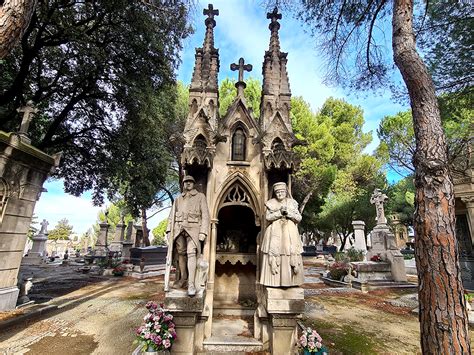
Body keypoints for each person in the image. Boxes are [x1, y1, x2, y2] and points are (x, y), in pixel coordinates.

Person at [166, 175, 209, 296]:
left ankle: (191, 284)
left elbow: (205, 215)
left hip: (194, 229)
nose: (188, 184)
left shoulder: (200, 196)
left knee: (191, 252)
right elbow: (171, 216)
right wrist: (169, 231)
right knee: (181, 253)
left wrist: (203, 231)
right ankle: (183, 278)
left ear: (194, 183)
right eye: (186, 182)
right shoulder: (178, 199)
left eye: (190, 181)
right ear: (183, 184)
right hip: (179, 229)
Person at [260, 182, 304, 287]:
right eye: (278, 192)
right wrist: (279, 213)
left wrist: (288, 213)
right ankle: (274, 281)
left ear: (286, 192)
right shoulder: (271, 203)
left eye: (282, 192)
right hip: (275, 231)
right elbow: (268, 218)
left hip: (289, 232)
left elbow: (298, 218)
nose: (280, 194)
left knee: (289, 251)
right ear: (275, 193)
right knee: (276, 253)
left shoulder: (292, 203)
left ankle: (290, 281)